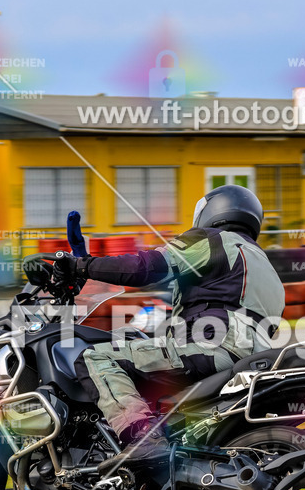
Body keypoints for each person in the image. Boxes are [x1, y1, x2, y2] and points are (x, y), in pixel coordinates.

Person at [51, 185, 284, 475]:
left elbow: (144, 267)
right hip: (253, 360)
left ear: (212, 211)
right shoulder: (266, 268)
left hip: (213, 347)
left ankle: (142, 439)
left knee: (95, 358)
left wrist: (81, 265)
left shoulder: (212, 240)